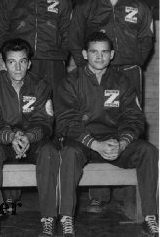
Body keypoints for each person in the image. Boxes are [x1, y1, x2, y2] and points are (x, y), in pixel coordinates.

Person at [68, 0, 154, 214]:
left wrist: (131, 62)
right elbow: (74, 39)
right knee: (97, 125)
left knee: (130, 127)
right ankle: (98, 195)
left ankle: (132, 194)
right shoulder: (87, 6)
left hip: (127, 72)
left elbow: (146, 40)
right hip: (96, 73)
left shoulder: (138, 5)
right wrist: (89, 70)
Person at [55, 32, 158, 237]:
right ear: (85, 54)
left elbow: (134, 118)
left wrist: (122, 142)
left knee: (148, 150)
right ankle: (66, 218)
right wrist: (94, 144)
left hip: (114, 142)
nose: (99, 57)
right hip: (82, 142)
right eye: (94, 52)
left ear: (111, 54)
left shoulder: (122, 81)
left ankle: (150, 217)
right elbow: (66, 122)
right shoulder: (70, 81)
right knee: (67, 153)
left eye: (104, 52)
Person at [0, 0, 72, 209]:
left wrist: (59, 59)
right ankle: (12, 194)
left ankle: (52, 193)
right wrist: (5, 67)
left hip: (52, 66)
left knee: (50, 123)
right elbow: (1, 36)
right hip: (19, 65)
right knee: (15, 118)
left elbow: (68, 35)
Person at [0, 38, 58, 237]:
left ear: (29, 63)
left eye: (22, 61)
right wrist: (12, 136)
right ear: (4, 63)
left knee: (49, 151)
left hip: (32, 142)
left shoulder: (40, 86)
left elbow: (45, 123)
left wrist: (28, 137)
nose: (17, 67)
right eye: (12, 62)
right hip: (3, 142)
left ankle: (49, 218)